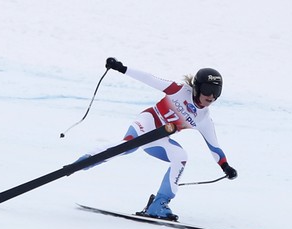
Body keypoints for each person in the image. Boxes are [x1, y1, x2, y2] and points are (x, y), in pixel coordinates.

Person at [102, 57, 238, 220]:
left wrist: (225, 166)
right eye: (208, 89)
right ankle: (85, 161)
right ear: (197, 88)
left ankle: (158, 205)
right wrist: (122, 68)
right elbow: (149, 78)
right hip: (147, 122)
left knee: (180, 156)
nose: (211, 96)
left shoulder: (204, 119)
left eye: (216, 92)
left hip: (157, 139)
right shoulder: (179, 91)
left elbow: (214, 147)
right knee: (128, 147)